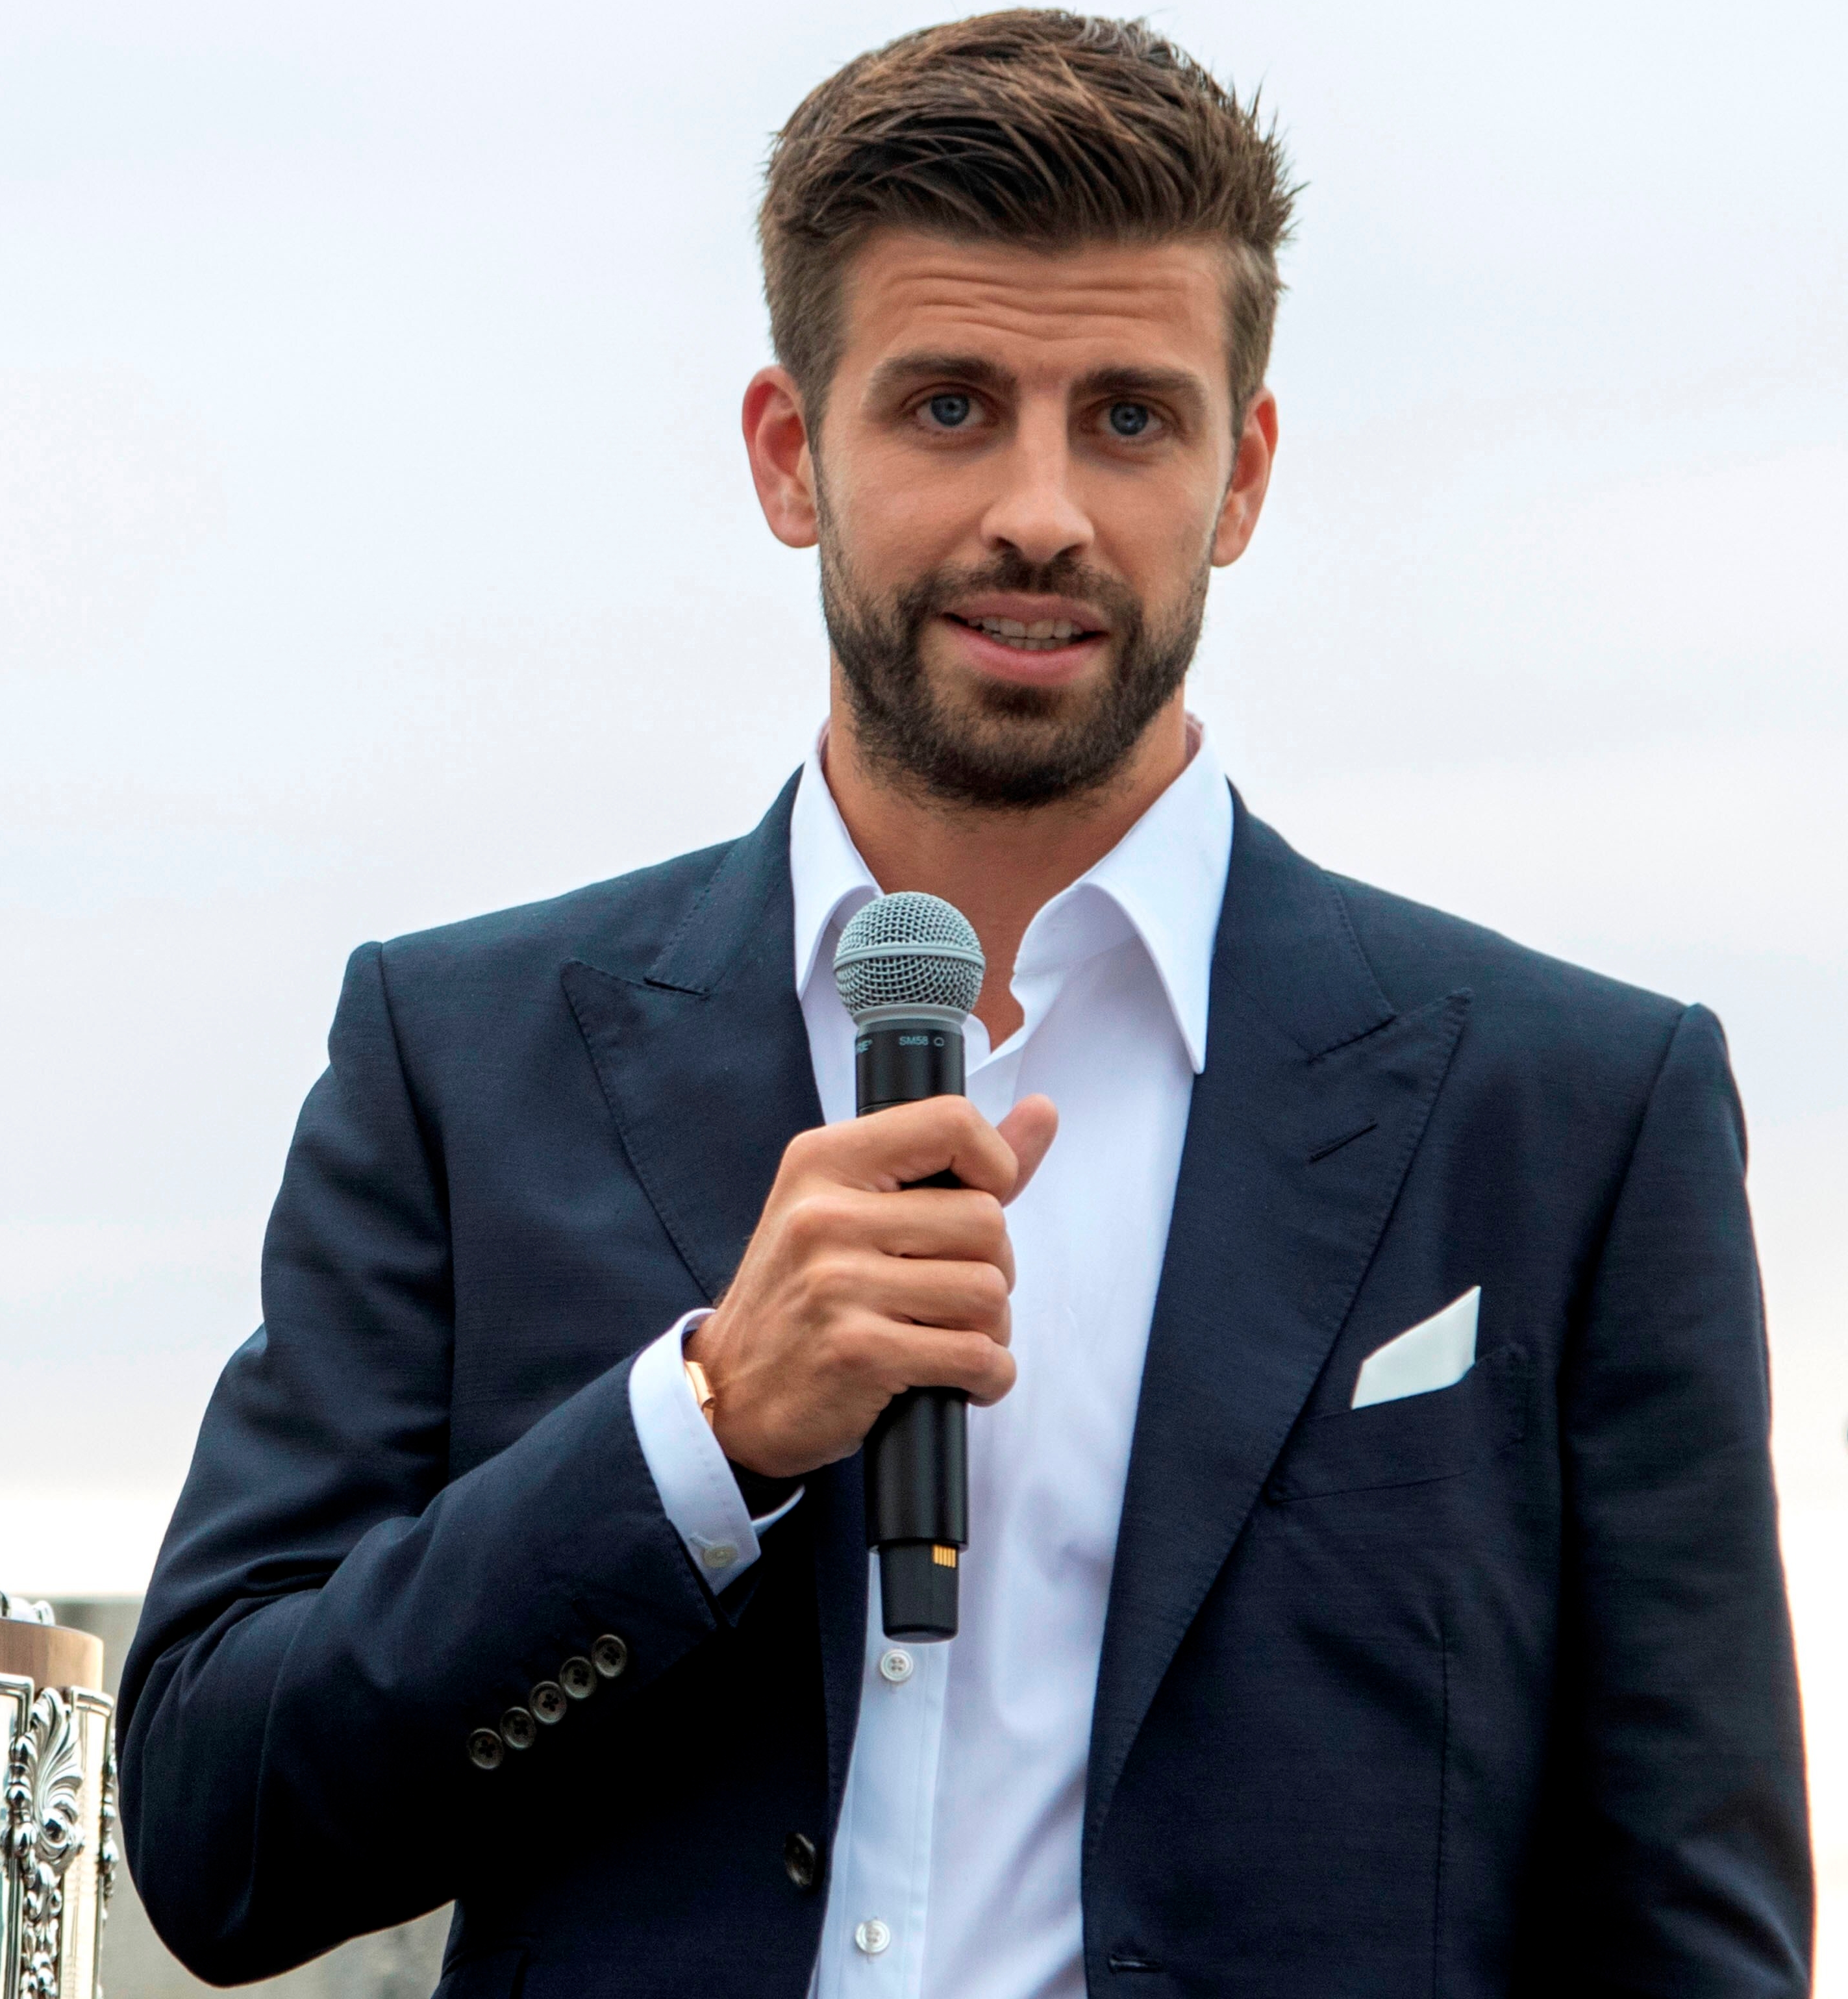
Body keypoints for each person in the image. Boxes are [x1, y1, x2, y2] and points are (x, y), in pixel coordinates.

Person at [115, 16, 1808, 1999]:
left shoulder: (1574, 1119)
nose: (1042, 511)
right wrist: (698, 1436)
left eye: (1130, 418)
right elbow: (217, 1839)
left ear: (1242, 474)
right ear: (787, 454)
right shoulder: (459, 1060)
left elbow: (1693, 1933)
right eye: (945, 407)